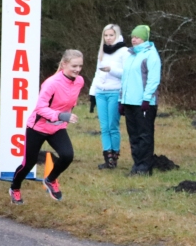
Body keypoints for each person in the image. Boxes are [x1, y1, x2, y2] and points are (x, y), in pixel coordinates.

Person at [9, 50, 84, 204]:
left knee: (67, 155)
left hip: (57, 128)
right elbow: (40, 108)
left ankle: (50, 179)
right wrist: (61, 116)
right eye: (74, 66)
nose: (77, 69)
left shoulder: (79, 81)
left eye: (80, 66)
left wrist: (66, 116)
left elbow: (70, 102)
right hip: (37, 127)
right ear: (64, 64)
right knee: (28, 164)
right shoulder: (51, 83)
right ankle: (15, 188)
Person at [120, 25, 161, 176]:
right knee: (133, 135)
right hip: (129, 101)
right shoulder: (131, 55)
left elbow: (153, 79)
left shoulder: (151, 55)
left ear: (144, 38)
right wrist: (121, 99)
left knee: (145, 135)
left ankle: (145, 167)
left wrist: (146, 98)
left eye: (137, 37)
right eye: (132, 37)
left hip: (144, 103)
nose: (134, 39)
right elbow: (125, 79)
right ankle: (137, 164)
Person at [89, 24, 129, 170]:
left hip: (115, 92)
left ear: (117, 35)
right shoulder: (102, 51)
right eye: (106, 35)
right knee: (104, 127)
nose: (108, 38)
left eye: (111, 35)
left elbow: (126, 73)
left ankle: (115, 156)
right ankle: (108, 158)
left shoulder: (124, 51)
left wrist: (111, 70)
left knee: (113, 126)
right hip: (101, 91)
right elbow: (97, 73)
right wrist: (92, 93)